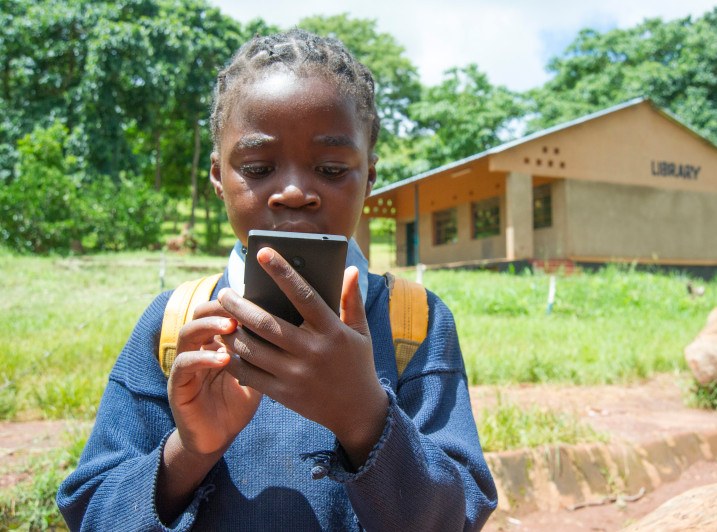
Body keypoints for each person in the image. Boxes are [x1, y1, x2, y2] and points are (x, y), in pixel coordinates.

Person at [57, 29, 497, 531]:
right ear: (218, 177)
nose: (293, 192)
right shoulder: (177, 324)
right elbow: (91, 511)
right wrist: (189, 451)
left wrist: (364, 416)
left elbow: (459, 518)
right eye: (259, 167)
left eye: (331, 169)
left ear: (369, 176)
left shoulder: (413, 322)